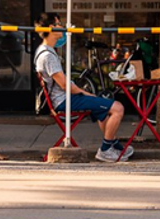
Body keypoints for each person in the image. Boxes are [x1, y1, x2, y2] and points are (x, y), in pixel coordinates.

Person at [33, 12, 133, 162]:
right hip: (64, 100)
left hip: (63, 97)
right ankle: (105, 150)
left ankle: (113, 144)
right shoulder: (47, 56)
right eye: (59, 24)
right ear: (52, 27)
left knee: (103, 110)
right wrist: (87, 94)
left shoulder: (43, 51)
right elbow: (65, 85)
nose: (62, 27)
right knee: (117, 107)